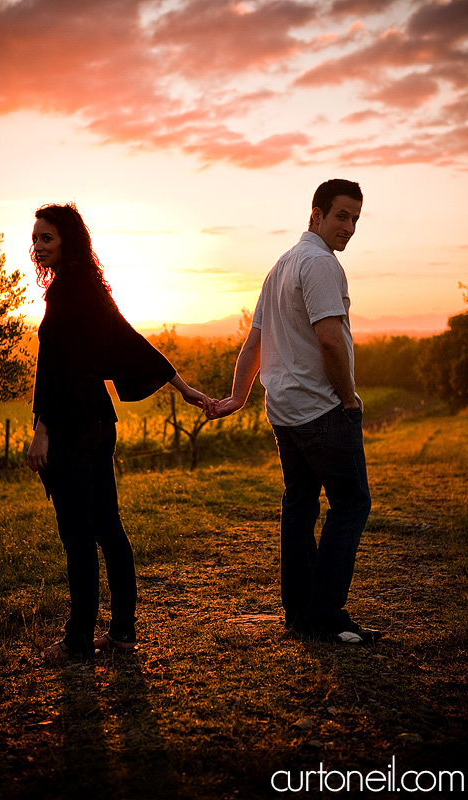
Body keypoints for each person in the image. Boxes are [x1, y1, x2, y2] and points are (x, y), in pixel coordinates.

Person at [27, 202, 214, 661]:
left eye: (46, 238)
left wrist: (41, 431)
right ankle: (124, 633)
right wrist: (183, 387)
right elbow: (132, 341)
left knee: (78, 535)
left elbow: (55, 371)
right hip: (99, 424)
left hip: (74, 427)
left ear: (68, 240)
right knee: (108, 528)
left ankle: (77, 642)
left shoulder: (69, 293)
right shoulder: (91, 289)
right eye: (34, 239)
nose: (37, 247)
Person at [212, 179, 381, 644]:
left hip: (284, 411)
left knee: (301, 504)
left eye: (355, 220)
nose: (348, 228)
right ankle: (325, 613)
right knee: (351, 504)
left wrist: (239, 395)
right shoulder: (320, 264)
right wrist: (348, 399)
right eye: (341, 216)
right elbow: (330, 339)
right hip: (321, 409)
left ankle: (300, 613)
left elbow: (254, 340)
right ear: (316, 215)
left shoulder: (280, 265)